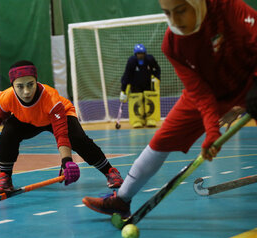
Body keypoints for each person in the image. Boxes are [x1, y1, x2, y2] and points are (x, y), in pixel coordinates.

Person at [82, 0, 257, 219]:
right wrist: (212, 130)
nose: (175, 20)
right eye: (167, 13)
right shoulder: (172, 44)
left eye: (181, 10)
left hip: (249, 79)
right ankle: (121, 200)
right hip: (207, 92)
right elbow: (201, 94)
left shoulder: (227, 8)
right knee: (161, 141)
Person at [0, 60, 124, 194]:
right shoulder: (7, 97)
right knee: (8, 133)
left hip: (58, 115)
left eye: (30, 84)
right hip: (28, 120)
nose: (26, 91)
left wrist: (66, 161)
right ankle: (5, 178)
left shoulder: (50, 98)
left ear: (36, 81)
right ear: (12, 86)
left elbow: (61, 134)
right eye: (20, 87)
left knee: (78, 139)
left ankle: (110, 171)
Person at [119, 44, 161, 128]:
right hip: (135, 85)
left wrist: (156, 78)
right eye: (138, 54)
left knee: (149, 100)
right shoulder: (131, 61)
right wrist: (123, 90)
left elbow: (157, 69)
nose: (140, 55)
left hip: (148, 85)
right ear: (135, 54)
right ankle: (137, 120)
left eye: (142, 53)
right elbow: (126, 75)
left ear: (145, 53)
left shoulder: (150, 59)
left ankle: (150, 119)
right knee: (136, 101)